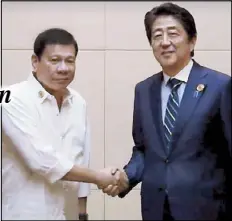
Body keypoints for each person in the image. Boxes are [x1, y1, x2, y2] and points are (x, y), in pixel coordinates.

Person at [103, 2, 231, 221]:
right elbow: (144, 150)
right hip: (156, 208)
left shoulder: (221, 86)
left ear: (192, 41)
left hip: (207, 209)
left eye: (173, 34)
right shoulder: (144, 90)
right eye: (156, 36)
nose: (164, 42)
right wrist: (126, 177)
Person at [1, 28, 118, 220]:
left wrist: (82, 213)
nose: (63, 68)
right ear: (35, 62)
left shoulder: (78, 102)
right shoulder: (9, 98)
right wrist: (99, 177)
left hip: (68, 215)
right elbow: (42, 160)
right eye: (54, 60)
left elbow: (82, 157)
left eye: (69, 61)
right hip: (23, 215)